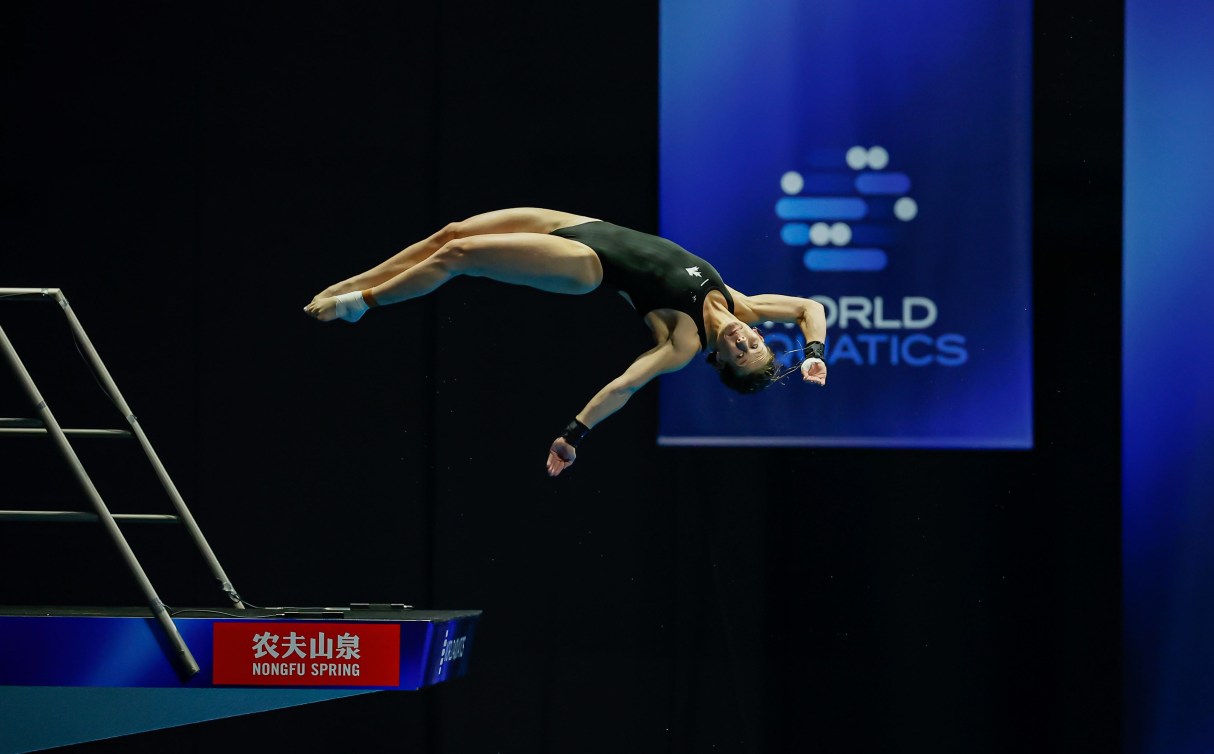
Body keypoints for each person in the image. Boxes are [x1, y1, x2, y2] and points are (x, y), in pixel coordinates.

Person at [304, 207, 828, 476]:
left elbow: (624, 387)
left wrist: (573, 434)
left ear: (719, 360)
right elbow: (811, 309)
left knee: (460, 256)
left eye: (739, 354)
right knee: (452, 232)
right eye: (754, 343)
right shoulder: (743, 304)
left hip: (587, 265)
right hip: (582, 224)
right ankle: (349, 285)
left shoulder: (684, 344)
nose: (742, 340)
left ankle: (361, 304)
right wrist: (813, 354)